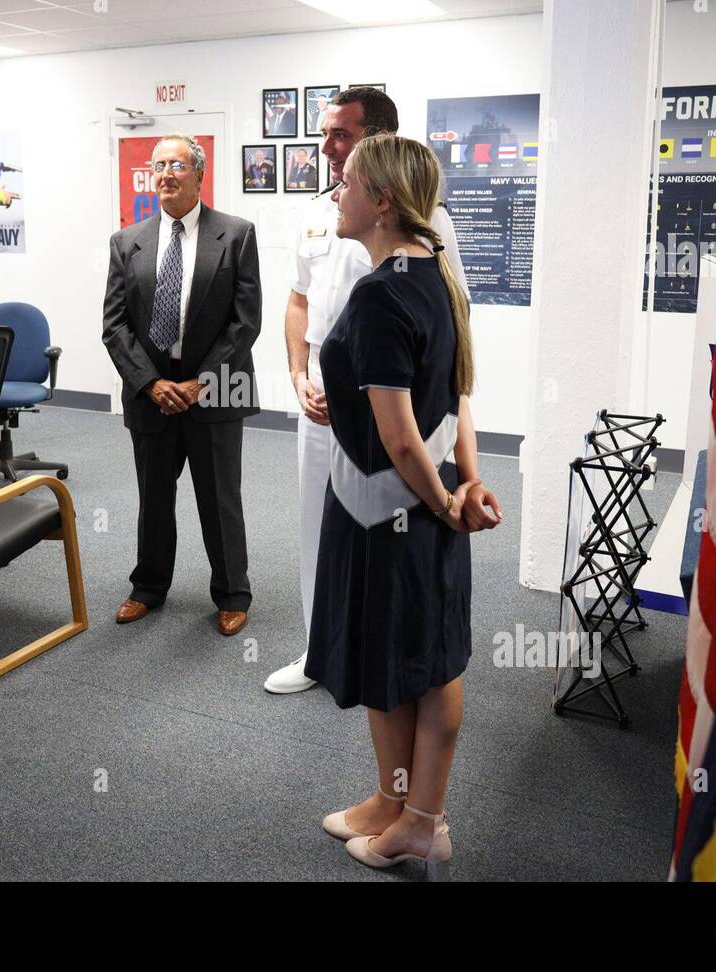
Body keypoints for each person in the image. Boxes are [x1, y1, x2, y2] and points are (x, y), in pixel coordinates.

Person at [306, 134, 501, 877]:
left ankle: (423, 821)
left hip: (396, 509)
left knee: (423, 665)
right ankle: (393, 803)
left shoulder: (384, 293)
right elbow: (457, 405)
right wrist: (467, 483)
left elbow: (401, 438)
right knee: (401, 659)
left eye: (347, 181)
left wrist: (449, 502)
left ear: (382, 200)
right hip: (408, 500)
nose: (336, 193)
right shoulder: (434, 275)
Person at [266, 87, 467, 694]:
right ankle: (318, 651)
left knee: (386, 531)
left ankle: (383, 654)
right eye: (325, 133)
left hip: (388, 404)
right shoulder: (319, 211)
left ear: (377, 140)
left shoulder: (425, 220)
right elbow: (298, 302)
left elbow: (450, 321)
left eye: (341, 135)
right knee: (319, 525)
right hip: (322, 399)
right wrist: (300, 377)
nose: (327, 147)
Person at [102, 134, 262, 636]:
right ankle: (148, 586)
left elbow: (245, 321)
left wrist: (200, 381)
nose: (165, 173)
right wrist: (151, 384)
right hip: (153, 394)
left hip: (215, 389)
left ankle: (232, 593)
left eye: (176, 165)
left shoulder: (236, 234)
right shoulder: (127, 241)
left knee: (219, 496)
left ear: (199, 173)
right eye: (158, 165)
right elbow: (115, 325)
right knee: (153, 497)